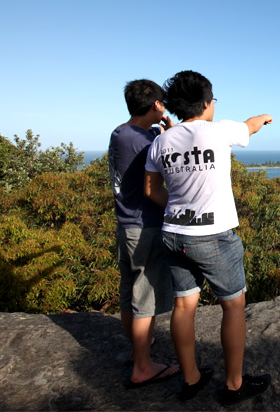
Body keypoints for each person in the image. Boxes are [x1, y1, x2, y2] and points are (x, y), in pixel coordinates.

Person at [144, 70, 273, 405]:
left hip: (173, 233)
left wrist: (177, 209)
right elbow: (250, 126)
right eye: (213, 99)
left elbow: (150, 189)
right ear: (205, 103)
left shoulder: (161, 141)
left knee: (185, 305)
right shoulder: (218, 131)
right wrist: (265, 116)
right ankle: (233, 385)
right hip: (214, 237)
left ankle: (191, 378)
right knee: (233, 306)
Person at [108, 79, 179, 388]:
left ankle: (139, 350)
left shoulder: (122, 134)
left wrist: (162, 126)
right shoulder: (147, 142)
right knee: (144, 298)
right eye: (162, 103)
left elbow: (150, 139)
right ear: (156, 105)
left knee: (129, 293)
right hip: (145, 226)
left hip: (126, 225)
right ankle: (143, 368)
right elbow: (169, 172)